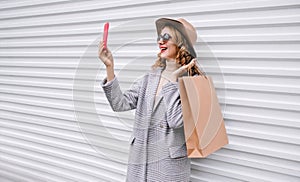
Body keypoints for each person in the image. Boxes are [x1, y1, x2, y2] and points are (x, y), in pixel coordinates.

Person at [98, 18, 201, 182]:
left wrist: (173, 81)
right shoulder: (149, 78)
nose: (160, 41)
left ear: (181, 43)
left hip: (168, 166)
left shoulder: (194, 82)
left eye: (166, 36)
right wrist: (110, 68)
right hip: (140, 161)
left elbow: (176, 121)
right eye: (159, 37)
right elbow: (120, 104)